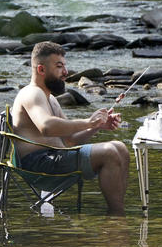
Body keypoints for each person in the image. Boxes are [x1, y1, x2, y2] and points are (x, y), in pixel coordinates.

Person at [11, 41, 129, 215]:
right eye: (59, 67)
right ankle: (117, 218)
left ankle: (118, 212)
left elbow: (70, 140)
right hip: (39, 165)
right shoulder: (32, 93)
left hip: (54, 159)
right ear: (41, 70)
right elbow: (46, 126)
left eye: (64, 66)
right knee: (110, 152)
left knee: (120, 147)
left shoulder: (50, 99)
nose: (65, 73)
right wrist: (88, 121)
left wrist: (97, 126)